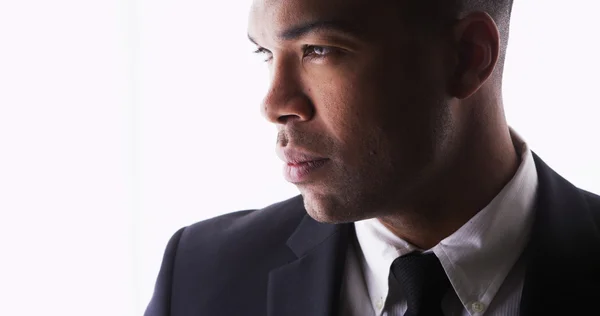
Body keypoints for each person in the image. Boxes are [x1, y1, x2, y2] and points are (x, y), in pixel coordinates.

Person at [144, 0, 600, 315]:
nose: (275, 103)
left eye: (319, 50)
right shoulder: (201, 276)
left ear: (466, 56)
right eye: (265, 52)